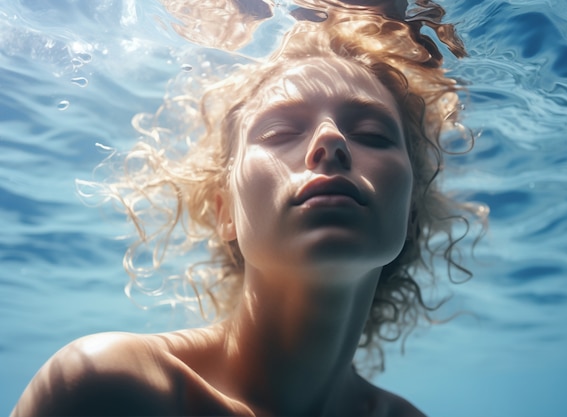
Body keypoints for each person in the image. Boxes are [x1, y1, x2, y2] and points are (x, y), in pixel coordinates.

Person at [12, 1, 483, 415]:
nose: (331, 142)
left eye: (373, 135)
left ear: (411, 212)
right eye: (279, 132)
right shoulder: (106, 389)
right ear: (225, 212)